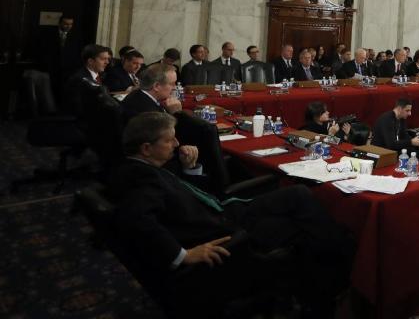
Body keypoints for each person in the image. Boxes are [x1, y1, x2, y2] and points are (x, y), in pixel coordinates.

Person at [110, 112, 353, 315]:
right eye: (169, 140)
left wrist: (189, 169)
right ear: (146, 148)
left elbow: (183, 198)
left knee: (298, 194)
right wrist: (182, 255)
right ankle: (335, 278)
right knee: (304, 225)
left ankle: (329, 271)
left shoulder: (144, 167)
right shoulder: (140, 179)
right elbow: (137, 220)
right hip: (225, 233)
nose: (176, 144)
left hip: (222, 211)